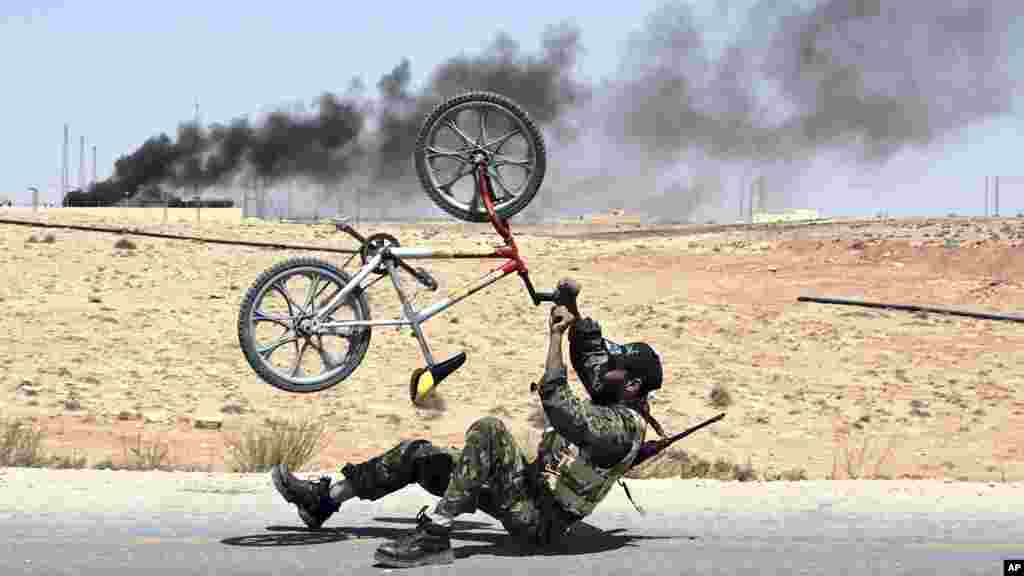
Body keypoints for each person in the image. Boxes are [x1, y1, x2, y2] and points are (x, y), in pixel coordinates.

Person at [270, 278, 665, 568]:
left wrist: (555, 340)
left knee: (490, 430)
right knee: (420, 455)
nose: (604, 368)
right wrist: (571, 308)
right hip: (521, 490)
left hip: (539, 519)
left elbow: (561, 406)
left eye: (615, 368)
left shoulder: (623, 427)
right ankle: (323, 500)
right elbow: (592, 356)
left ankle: (435, 537)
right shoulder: (614, 390)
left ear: (631, 385)